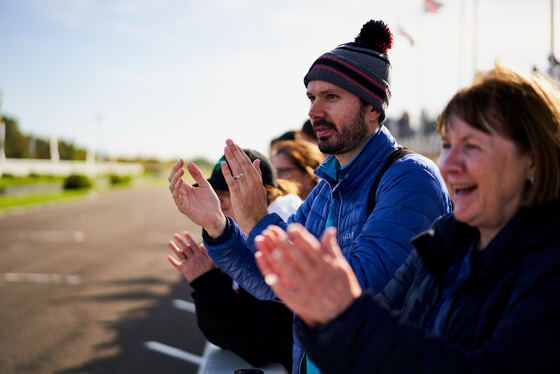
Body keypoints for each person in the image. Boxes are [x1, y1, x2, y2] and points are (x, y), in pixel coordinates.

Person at [168, 19, 452, 373]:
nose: (314, 111)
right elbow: (266, 279)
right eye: (312, 97)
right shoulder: (326, 188)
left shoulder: (410, 179)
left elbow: (359, 289)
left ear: (373, 108)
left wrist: (258, 219)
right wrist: (218, 224)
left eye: (331, 97)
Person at [254, 63, 560, 373]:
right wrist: (323, 314)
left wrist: (345, 311)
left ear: (533, 157)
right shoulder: (445, 242)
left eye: (472, 146)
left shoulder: (549, 262)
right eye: (446, 145)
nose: (448, 164)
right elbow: (375, 327)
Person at [168, 149, 299, 371]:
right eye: (214, 189)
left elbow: (258, 347)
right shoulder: (233, 238)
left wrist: (206, 282)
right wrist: (205, 282)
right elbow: (219, 337)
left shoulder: (283, 232)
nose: (216, 198)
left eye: (227, 189)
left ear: (261, 192)